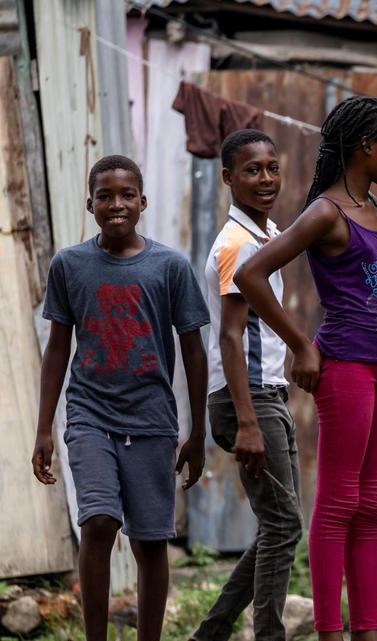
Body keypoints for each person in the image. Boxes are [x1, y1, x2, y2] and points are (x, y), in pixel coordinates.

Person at [234, 96, 377, 641]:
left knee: (371, 502)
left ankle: (367, 630)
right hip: (347, 366)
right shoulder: (326, 211)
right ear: (364, 146)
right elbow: (252, 274)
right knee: (338, 504)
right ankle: (331, 630)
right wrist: (301, 345)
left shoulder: (374, 208)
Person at [31, 155, 209, 641]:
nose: (116, 204)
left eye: (127, 194)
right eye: (105, 196)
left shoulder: (170, 266)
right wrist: (45, 426)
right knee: (100, 521)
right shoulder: (69, 264)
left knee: (151, 543)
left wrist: (198, 433)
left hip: (152, 419)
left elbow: (194, 351)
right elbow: (57, 349)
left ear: (143, 202)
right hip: (89, 413)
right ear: (89, 204)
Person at [193, 129, 302, 641]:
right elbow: (231, 337)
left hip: (264, 394)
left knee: (280, 524)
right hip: (249, 399)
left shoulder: (263, 234)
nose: (265, 179)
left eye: (271, 168)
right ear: (228, 178)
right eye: (252, 170)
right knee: (283, 526)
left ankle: (211, 632)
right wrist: (250, 423)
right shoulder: (236, 244)